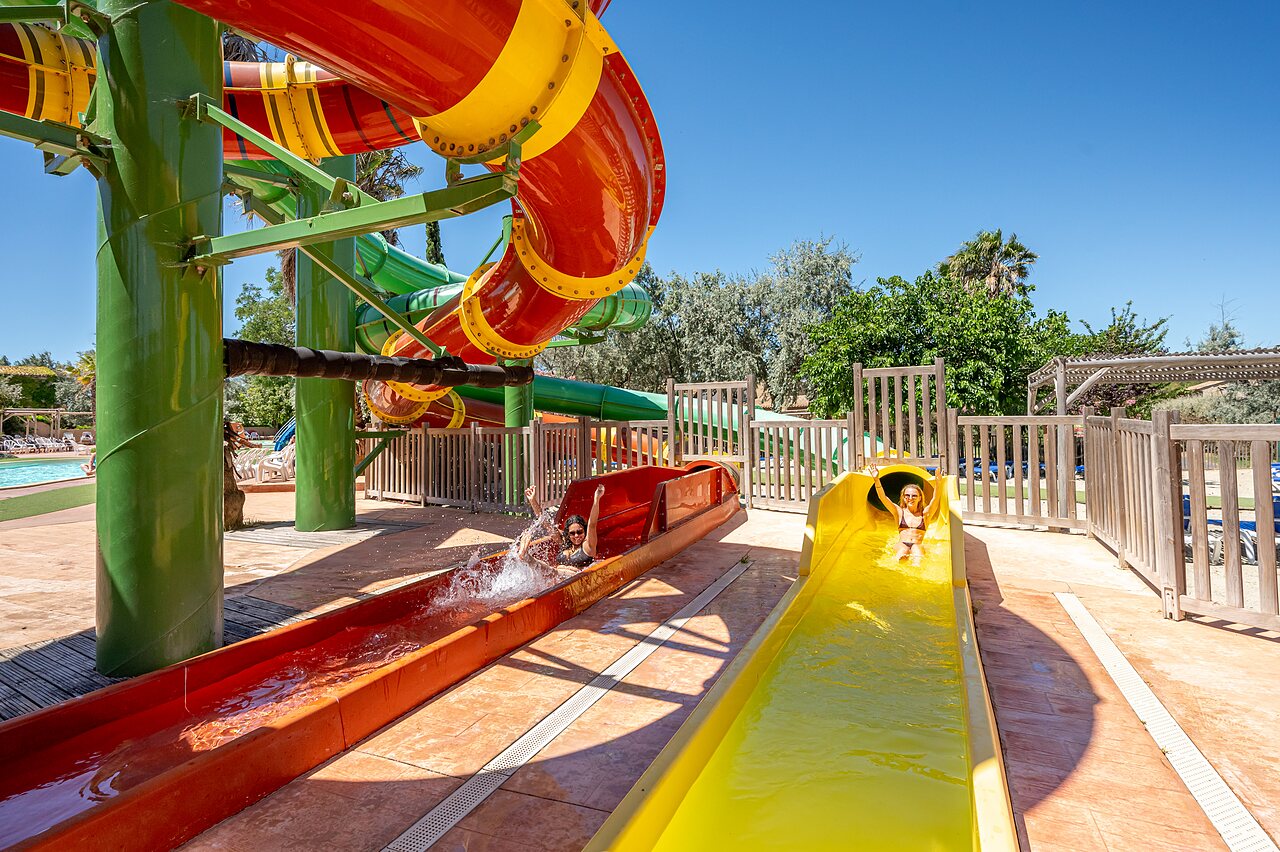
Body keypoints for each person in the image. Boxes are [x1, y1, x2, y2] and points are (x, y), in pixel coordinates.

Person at [519, 483, 606, 574]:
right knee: (548, 569)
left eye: (579, 532)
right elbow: (544, 521)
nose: (576, 536)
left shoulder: (588, 546)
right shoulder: (564, 542)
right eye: (572, 533)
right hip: (556, 576)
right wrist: (533, 500)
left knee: (550, 570)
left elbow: (592, 525)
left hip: (574, 578)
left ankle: (527, 558)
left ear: (584, 531)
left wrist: (596, 500)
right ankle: (525, 556)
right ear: (568, 534)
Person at [870, 464, 940, 562]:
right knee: (903, 551)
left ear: (920, 498)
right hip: (902, 544)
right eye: (907, 495)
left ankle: (916, 568)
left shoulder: (925, 514)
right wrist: (876, 480)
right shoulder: (899, 512)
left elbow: (935, 499)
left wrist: (938, 483)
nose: (910, 498)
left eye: (914, 496)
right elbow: (883, 498)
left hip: (917, 544)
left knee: (917, 550)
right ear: (903, 497)